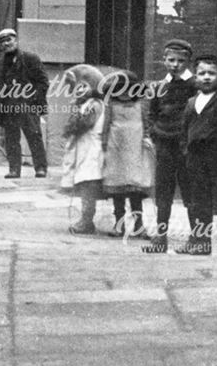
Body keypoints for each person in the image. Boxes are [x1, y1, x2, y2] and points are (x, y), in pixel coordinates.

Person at [178, 54, 217, 255]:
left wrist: (210, 140)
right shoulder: (192, 102)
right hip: (195, 159)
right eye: (202, 73)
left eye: (212, 73)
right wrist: (186, 149)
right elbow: (184, 129)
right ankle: (200, 243)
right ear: (195, 76)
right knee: (198, 202)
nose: (206, 77)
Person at [146, 40, 196, 253]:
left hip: (185, 146)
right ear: (164, 60)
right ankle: (161, 235)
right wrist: (155, 132)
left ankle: (196, 237)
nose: (175, 64)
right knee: (163, 191)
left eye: (181, 61)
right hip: (165, 145)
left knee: (190, 191)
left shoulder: (194, 85)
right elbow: (152, 113)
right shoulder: (159, 86)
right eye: (171, 60)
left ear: (188, 61)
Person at [101, 69, 153, 237]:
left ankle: (139, 226)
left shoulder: (142, 104)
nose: (125, 94)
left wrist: (147, 140)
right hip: (116, 149)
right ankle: (119, 225)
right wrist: (103, 146)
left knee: (136, 190)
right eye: (120, 90)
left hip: (136, 150)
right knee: (118, 190)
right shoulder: (111, 105)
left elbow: (146, 124)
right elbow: (106, 126)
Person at [0, 28, 48, 178]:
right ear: (0, 46)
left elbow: (43, 82)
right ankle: (14, 169)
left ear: (16, 40)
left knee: (34, 136)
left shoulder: (30, 59)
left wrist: (35, 100)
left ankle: (40, 168)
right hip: (9, 108)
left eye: (9, 40)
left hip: (28, 106)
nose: (6, 44)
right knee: (11, 139)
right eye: (2, 42)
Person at [60, 65, 106, 235]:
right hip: (85, 149)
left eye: (82, 87)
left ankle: (87, 220)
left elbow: (83, 123)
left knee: (88, 184)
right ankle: (86, 220)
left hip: (91, 150)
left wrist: (73, 120)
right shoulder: (86, 103)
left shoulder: (94, 104)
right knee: (84, 182)